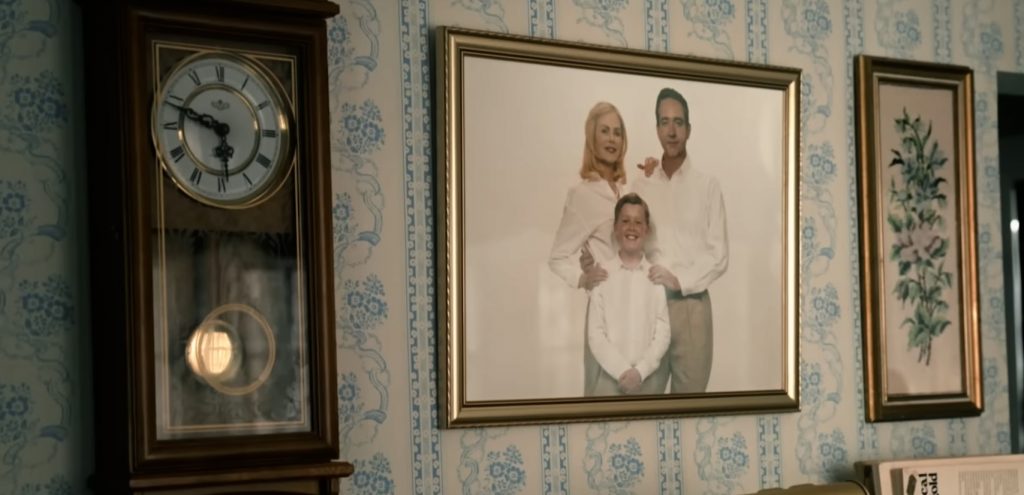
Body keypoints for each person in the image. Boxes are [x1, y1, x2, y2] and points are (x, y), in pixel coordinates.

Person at [632, 87, 729, 394]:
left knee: (690, 406)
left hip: (692, 306)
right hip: (650, 305)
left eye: (678, 122)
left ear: (689, 129)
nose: (671, 131)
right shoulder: (642, 186)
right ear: (657, 128)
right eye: (664, 122)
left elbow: (719, 255)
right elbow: (627, 238)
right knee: (644, 401)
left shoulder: (707, 186)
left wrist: (680, 280)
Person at [549, 101, 629, 395]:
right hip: (604, 314)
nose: (612, 139)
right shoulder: (582, 195)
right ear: (592, 138)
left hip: (636, 310)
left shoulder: (628, 190)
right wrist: (583, 278)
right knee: (601, 399)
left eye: (617, 132)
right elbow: (557, 257)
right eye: (604, 131)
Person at [585, 193, 670, 396]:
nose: (632, 227)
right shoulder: (602, 275)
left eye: (638, 222)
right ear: (615, 228)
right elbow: (595, 334)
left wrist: (640, 372)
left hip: (646, 380)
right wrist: (622, 371)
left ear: (646, 230)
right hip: (609, 379)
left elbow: (663, 333)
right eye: (625, 221)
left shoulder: (654, 277)